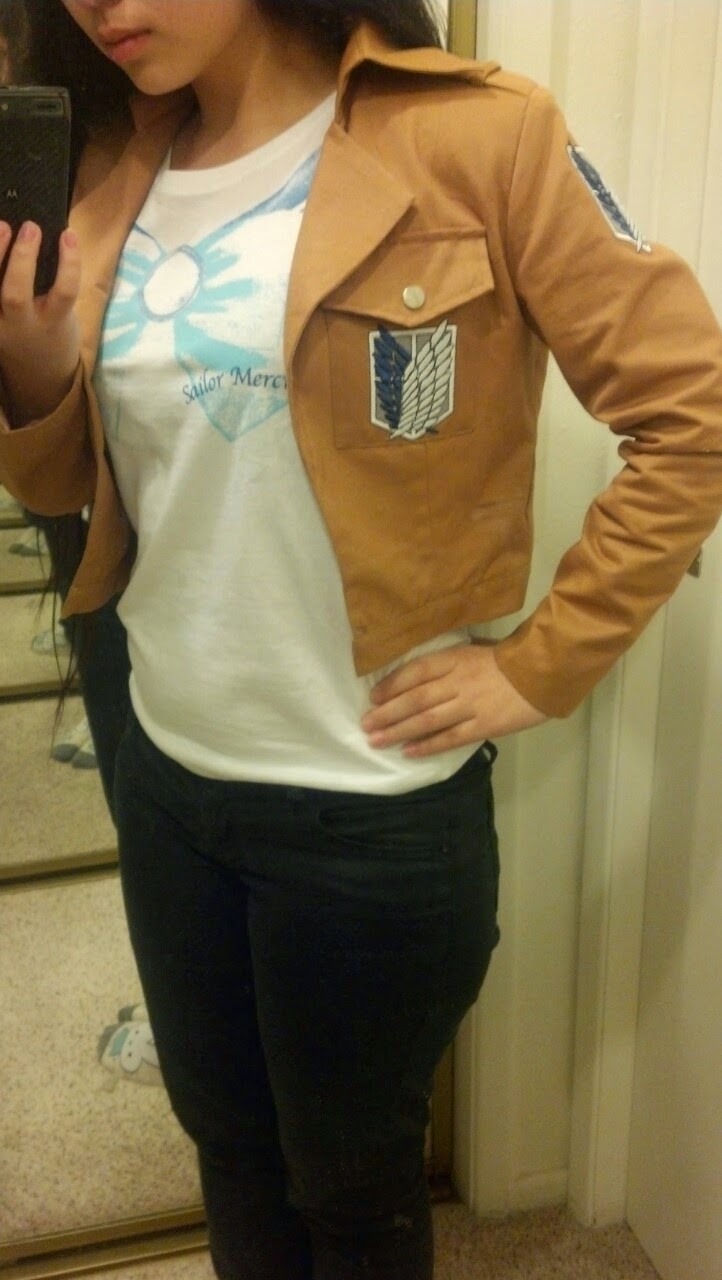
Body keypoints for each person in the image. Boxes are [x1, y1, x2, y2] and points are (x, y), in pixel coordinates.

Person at [1, 1, 721, 1277]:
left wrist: (537, 663)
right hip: (164, 766)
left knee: (351, 1181)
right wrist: (38, 366)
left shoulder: (477, 135)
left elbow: (691, 415)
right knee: (227, 1142)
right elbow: (68, 490)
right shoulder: (113, 160)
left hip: (366, 803)